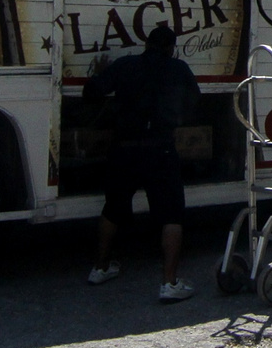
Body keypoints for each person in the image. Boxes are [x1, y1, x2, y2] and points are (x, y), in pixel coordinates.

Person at [83, 24, 201, 302]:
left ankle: (100, 267)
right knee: (171, 214)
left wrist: (98, 75)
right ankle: (169, 284)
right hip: (161, 150)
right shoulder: (178, 69)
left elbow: (92, 92)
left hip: (124, 149)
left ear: (146, 44)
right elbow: (195, 103)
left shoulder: (125, 65)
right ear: (171, 48)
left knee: (113, 207)